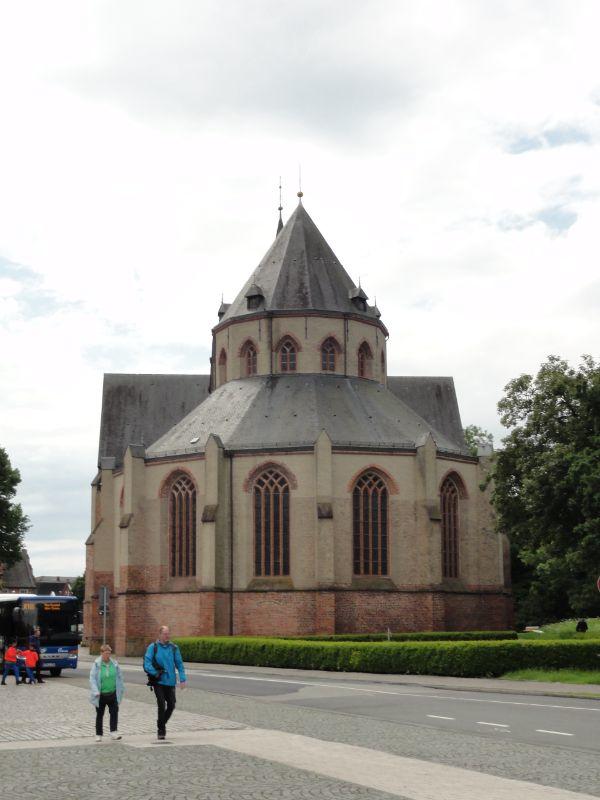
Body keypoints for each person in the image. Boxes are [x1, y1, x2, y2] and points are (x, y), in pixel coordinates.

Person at [143, 625, 186, 740]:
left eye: (168, 634)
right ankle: (161, 730)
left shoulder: (174, 648)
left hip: (171, 682)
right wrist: (156, 673)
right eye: (165, 634)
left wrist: (182, 679)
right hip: (158, 682)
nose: (167, 636)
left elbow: (180, 665)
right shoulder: (153, 647)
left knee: (171, 705)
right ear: (160, 635)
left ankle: (161, 723)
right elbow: (146, 663)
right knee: (161, 704)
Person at [89, 643, 124, 742]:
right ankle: (98, 734)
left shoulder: (114, 664)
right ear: (101, 653)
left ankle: (114, 732)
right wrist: (95, 691)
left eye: (109, 653)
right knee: (99, 714)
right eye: (105, 653)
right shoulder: (97, 664)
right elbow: (92, 679)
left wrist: (121, 689)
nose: (107, 655)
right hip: (101, 694)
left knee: (114, 713)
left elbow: (120, 677)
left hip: (112, 693)